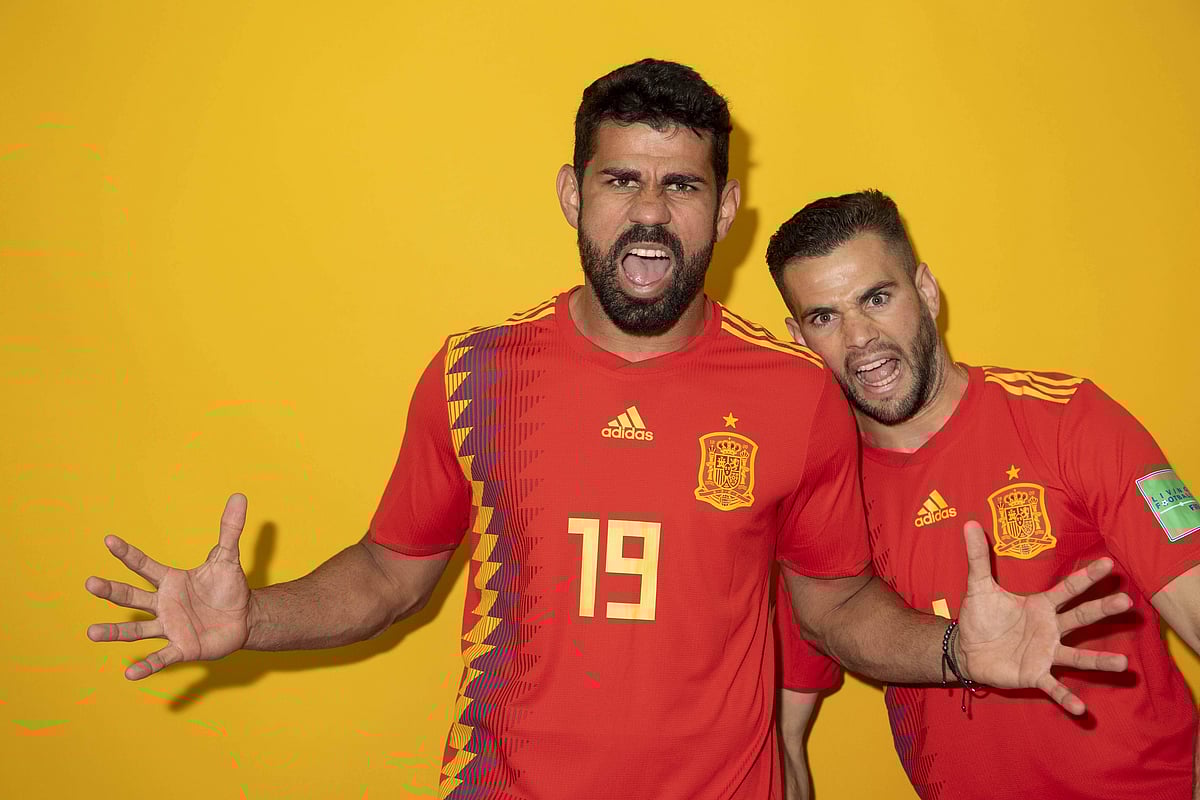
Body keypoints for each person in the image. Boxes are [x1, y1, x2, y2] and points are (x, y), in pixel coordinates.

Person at [86, 63, 1129, 800]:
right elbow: (388, 574)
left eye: (682, 186)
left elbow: (838, 605)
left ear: (725, 208)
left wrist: (951, 650)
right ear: (571, 192)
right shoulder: (477, 372)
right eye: (620, 178)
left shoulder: (794, 392)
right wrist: (255, 618)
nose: (650, 213)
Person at [766, 189, 1200, 800]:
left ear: (926, 290)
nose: (859, 337)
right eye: (824, 318)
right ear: (797, 338)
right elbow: (785, 739)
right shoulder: (814, 490)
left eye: (877, 298)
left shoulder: (1068, 420)